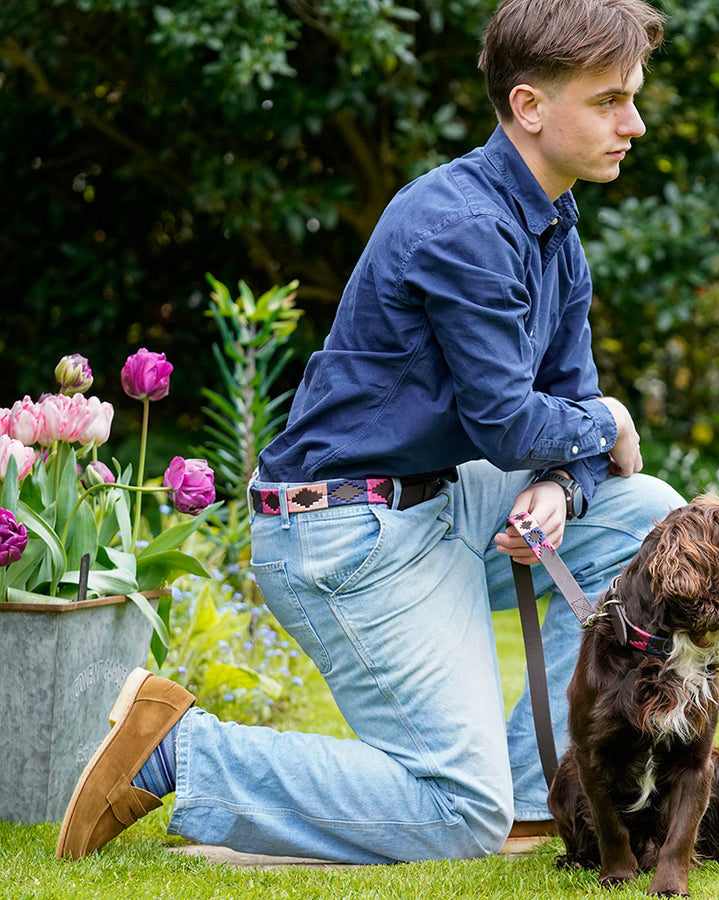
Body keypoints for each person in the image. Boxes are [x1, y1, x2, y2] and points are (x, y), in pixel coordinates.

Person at [57, 0, 684, 865]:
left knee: (653, 519)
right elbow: (513, 422)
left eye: (634, 97)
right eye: (611, 99)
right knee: (458, 817)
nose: (635, 123)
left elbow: (557, 415)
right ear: (531, 106)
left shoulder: (554, 230)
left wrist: (562, 483)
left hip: (444, 504)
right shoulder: (463, 225)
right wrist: (605, 421)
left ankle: (540, 784)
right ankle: (181, 749)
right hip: (346, 531)